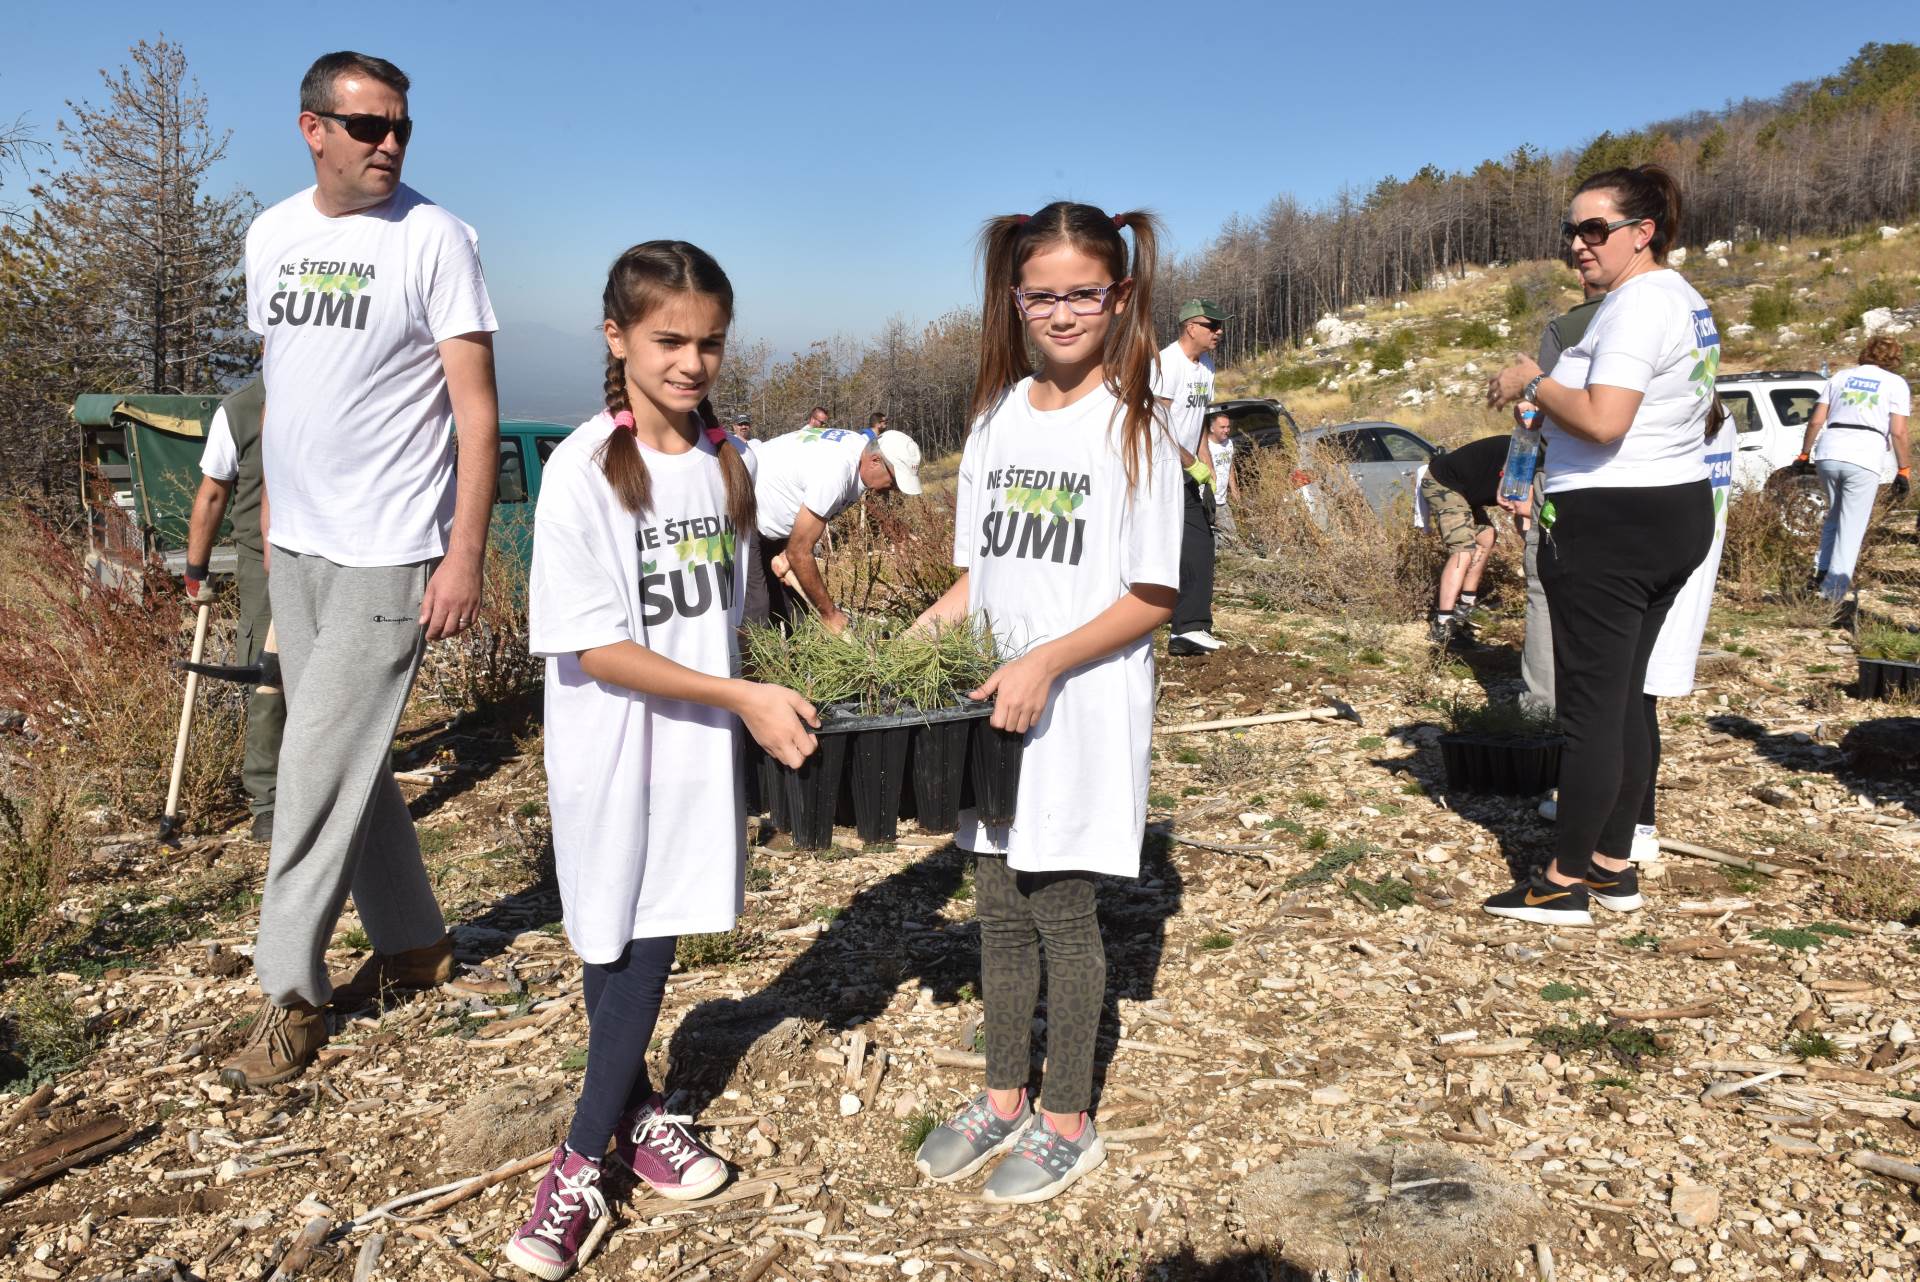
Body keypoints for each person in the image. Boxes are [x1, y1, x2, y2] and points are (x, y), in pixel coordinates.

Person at [507, 241, 818, 1280]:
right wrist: (742, 697)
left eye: (710, 342)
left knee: (649, 937)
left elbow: (742, 611)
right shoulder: (583, 470)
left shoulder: (731, 459)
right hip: (612, 744)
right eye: (668, 340)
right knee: (615, 937)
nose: (691, 361)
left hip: (695, 747)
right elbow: (593, 644)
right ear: (618, 338)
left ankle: (620, 1127)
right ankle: (582, 1161)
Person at [220, 51, 500, 1089]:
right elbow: (284, 380)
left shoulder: (436, 239)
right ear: (312, 130)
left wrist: (462, 553)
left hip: (392, 549)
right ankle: (418, 943)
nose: (389, 145)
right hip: (296, 539)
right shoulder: (271, 234)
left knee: (311, 765)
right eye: (368, 127)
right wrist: (265, 515)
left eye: (401, 129)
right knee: (347, 756)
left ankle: (288, 992)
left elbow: (476, 413)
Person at [910, 202, 1181, 1204]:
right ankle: (1002, 1093)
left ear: (1119, 297)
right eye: (1043, 294)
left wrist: (1046, 665)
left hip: (1079, 711)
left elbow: (1151, 597)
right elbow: (979, 576)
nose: (1063, 312)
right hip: (997, 707)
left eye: (1084, 293)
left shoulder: (1137, 428)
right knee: (994, 910)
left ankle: (1068, 1115)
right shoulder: (995, 419)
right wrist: (912, 645)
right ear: (1014, 300)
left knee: (1063, 915)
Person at [1482, 165, 1718, 927]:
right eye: (1571, 231)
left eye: (1594, 230)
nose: (1578, 246)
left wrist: (1531, 380)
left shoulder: (1635, 308)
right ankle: (1614, 865)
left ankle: (1561, 882)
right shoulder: (1681, 298)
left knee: (1589, 708)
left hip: (1614, 523)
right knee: (1624, 698)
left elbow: (1605, 419)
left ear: (1641, 233)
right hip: (1670, 510)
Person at [182, 377, 283, 843]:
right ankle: (269, 801)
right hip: (263, 566)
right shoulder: (240, 409)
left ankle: (349, 790)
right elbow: (214, 492)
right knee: (268, 678)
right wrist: (196, 568)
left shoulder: (336, 384)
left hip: (337, 556)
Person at [1520, 279, 1607, 717]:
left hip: (1566, 475)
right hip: (1649, 483)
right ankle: (1608, 705)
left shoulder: (1566, 327)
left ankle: (1542, 708)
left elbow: (1539, 408)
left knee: (1544, 588)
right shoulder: (1670, 313)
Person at [743, 421, 922, 630]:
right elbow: (799, 552)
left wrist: (785, 554)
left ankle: (790, 659)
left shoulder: (860, 453)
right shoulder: (837, 472)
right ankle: (747, 662)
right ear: (875, 460)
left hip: (774, 519)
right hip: (744, 514)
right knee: (756, 612)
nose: (894, 489)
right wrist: (830, 614)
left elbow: (816, 512)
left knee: (795, 611)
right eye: (894, 482)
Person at [1794, 336, 1911, 609]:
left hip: (1829, 451)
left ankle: (1820, 570)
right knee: (1852, 526)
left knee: (1834, 515)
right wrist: (1904, 469)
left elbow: (1816, 420)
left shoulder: (1840, 377)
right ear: (1893, 359)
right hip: (1864, 455)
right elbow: (1898, 432)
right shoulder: (1896, 384)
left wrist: (1803, 454)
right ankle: (1832, 592)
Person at [1156, 299, 1227, 655]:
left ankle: (1189, 629)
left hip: (1183, 470)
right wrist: (1189, 462)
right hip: (1155, 471)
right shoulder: (1166, 363)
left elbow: (1198, 421)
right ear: (1190, 327)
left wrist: (1206, 463)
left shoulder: (1207, 366)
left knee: (1197, 544)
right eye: (1212, 326)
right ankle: (1182, 626)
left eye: (1219, 326)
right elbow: (1156, 422)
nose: (1219, 332)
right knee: (1177, 546)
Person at [1417, 433, 1507, 647]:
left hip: (1465, 490)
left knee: (1486, 537)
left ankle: (1463, 609)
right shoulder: (1525, 457)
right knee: (1462, 551)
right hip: (1443, 483)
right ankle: (1443, 624)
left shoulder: (1536, 456)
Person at [1206, 412, 1240, 538]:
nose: (1226, 430)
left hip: (1222, 501)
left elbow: (1229, 467)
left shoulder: (1229, 443)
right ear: (1212, 428)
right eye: (1222, 427)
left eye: (1228, 427)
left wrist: (1234, 490)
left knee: (1232, 537)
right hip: (1208, 501)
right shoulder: (1205, 447)